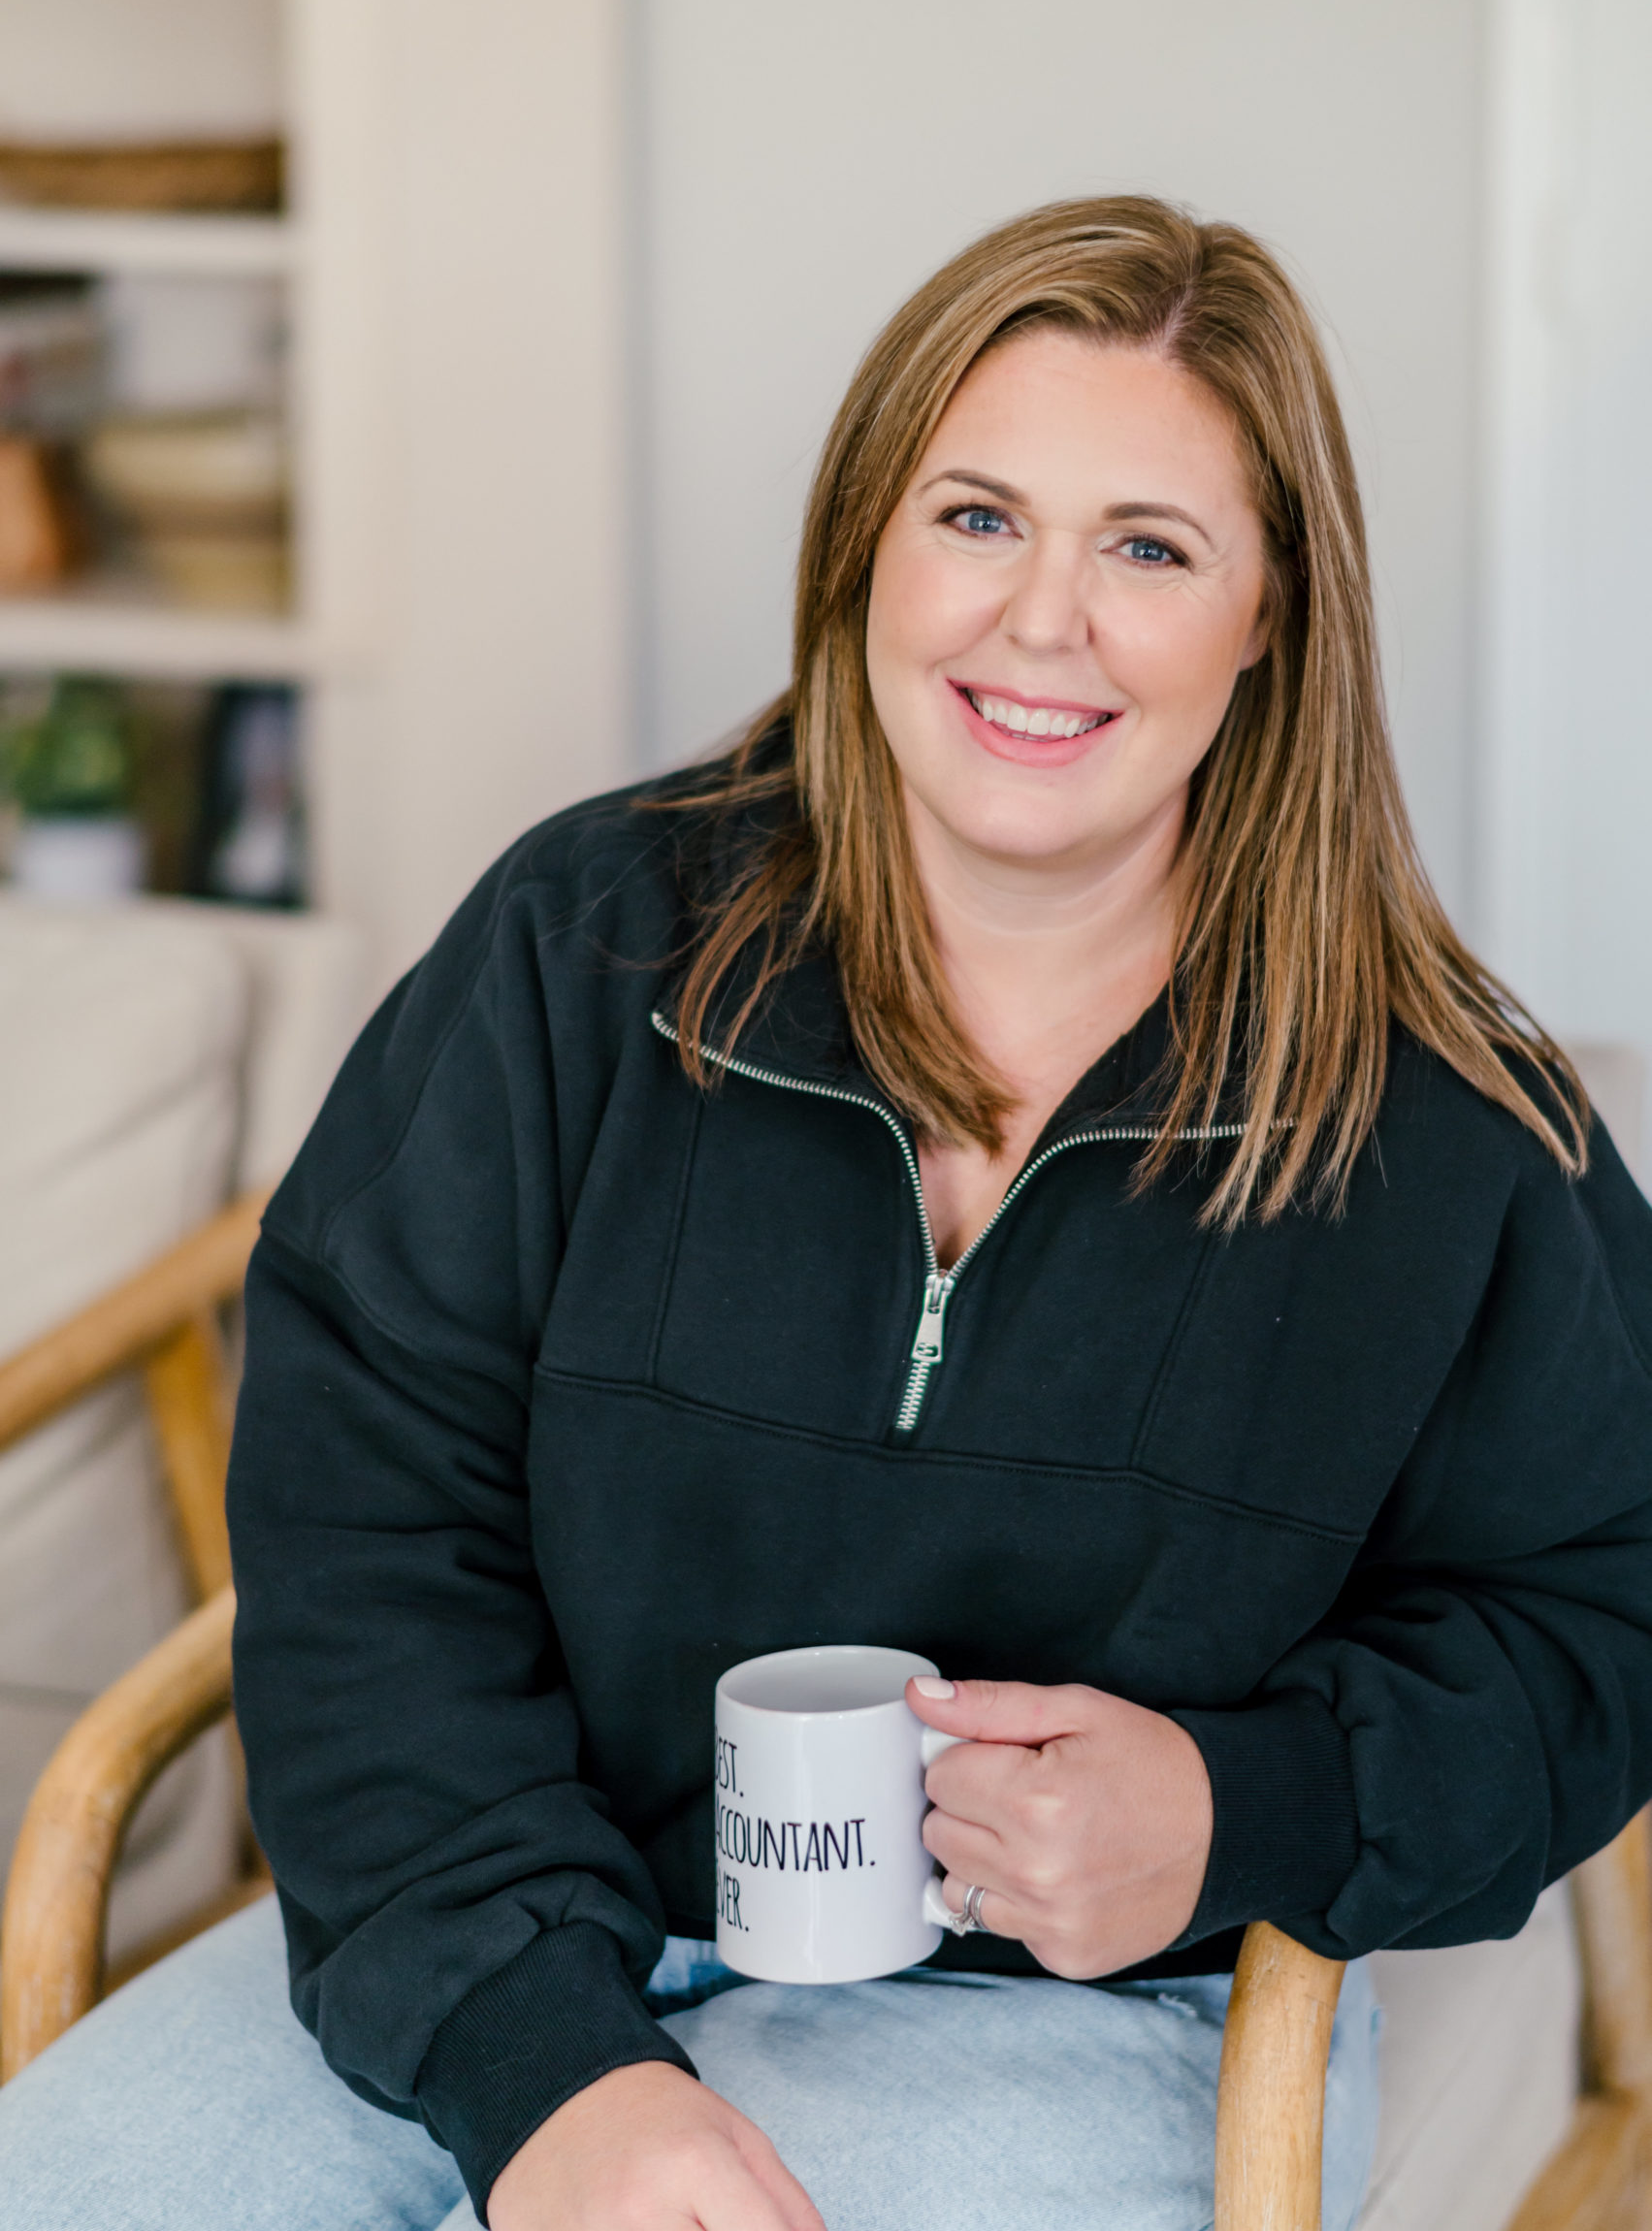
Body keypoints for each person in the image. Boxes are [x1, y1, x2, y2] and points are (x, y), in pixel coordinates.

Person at [3, 194, 1651, 2231]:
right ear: (864, 549)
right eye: (977, 517)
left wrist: (1245, 1805)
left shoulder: (1436, 1122)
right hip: (496, 1918)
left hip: (1060, 2014)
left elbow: (1602, 1609)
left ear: (1270, 619)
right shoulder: (583, 949)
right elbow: (366, 1524)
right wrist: (551, 2066)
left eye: (1149, 545)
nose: (1043, 619)